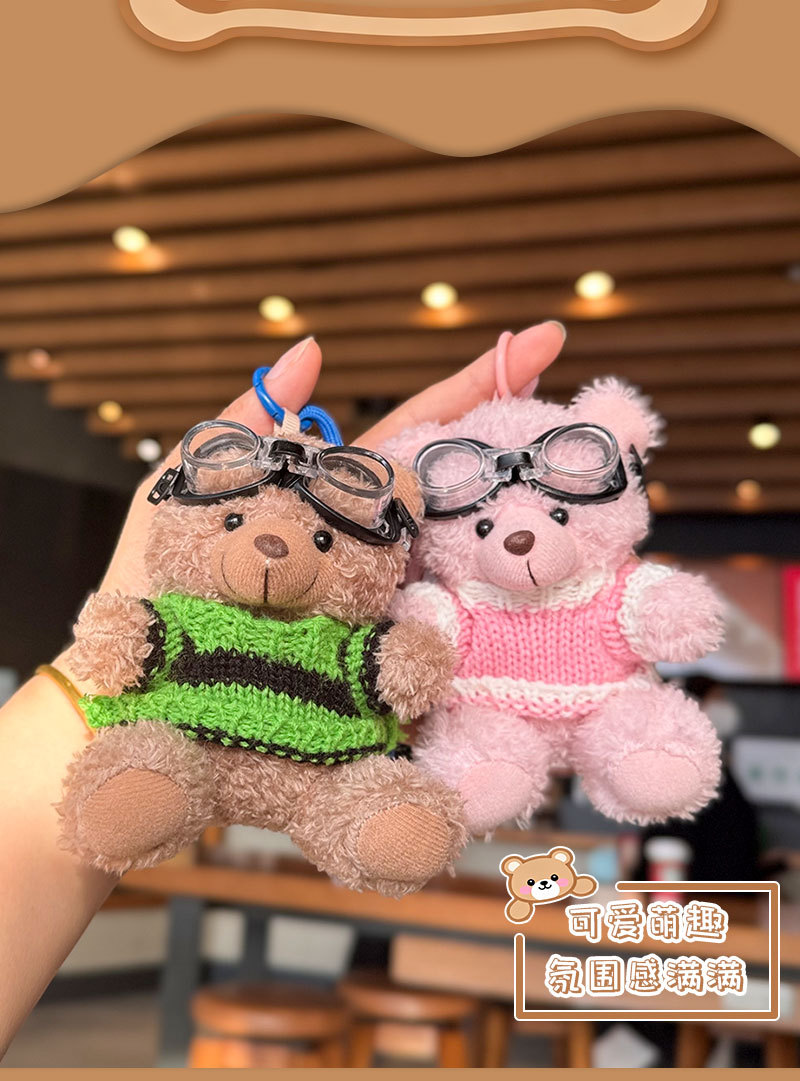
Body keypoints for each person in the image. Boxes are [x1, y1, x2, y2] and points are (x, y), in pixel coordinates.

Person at [0, 321, 566, 1053]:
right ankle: (141, 790)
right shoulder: (185, 615)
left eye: (326, 539)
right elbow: (123, 640)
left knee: (376, 805)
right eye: (234, 520)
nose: (272, 547)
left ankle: (379, 821)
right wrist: (104, 649)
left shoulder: (343, 637)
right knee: (145, 763)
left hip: (324, 778)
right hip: (183, 747)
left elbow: (396, 666)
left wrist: (411, 658)